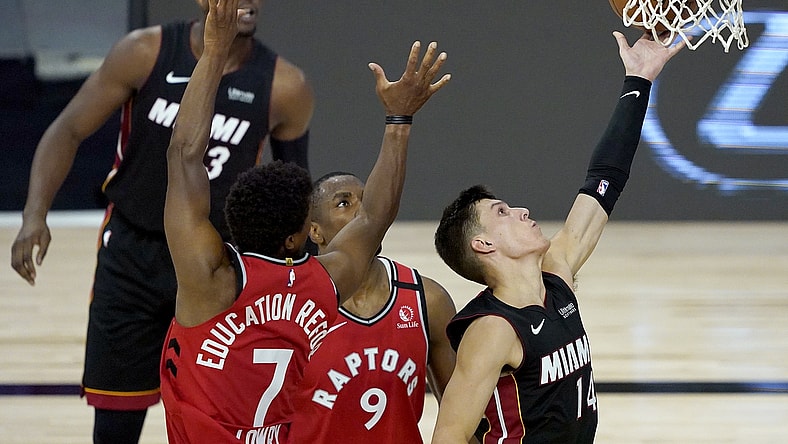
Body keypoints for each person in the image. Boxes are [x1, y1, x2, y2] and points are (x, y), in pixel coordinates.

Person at [9, 1, 313, 442]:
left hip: (218, 263)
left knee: (221, 414)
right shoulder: (145, 52)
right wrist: (34, 215)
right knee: (115, 416)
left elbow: (297, 190)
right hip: (133, 249)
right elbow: (68, 128)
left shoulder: (286, 86)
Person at [160, 1, 451, 442]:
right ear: (302, 234)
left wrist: (215, 54)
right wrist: (398, 121)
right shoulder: (321, 284)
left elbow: (184, 154)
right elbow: (375, 217)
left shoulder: (210, 281)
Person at [430, 30, 687, 443]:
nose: (521, 211)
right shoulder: (494, 330)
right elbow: (448, 436)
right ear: (484, 245)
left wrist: (639, 81)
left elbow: (604, 180)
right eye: (502, 213)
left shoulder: (557, 276)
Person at [287, 172, 459, 443]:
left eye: (367, 200)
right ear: (315, 230)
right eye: (343, 203)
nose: (363, 211)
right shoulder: (292, 307)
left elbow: (464, 415)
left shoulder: (427, 300)